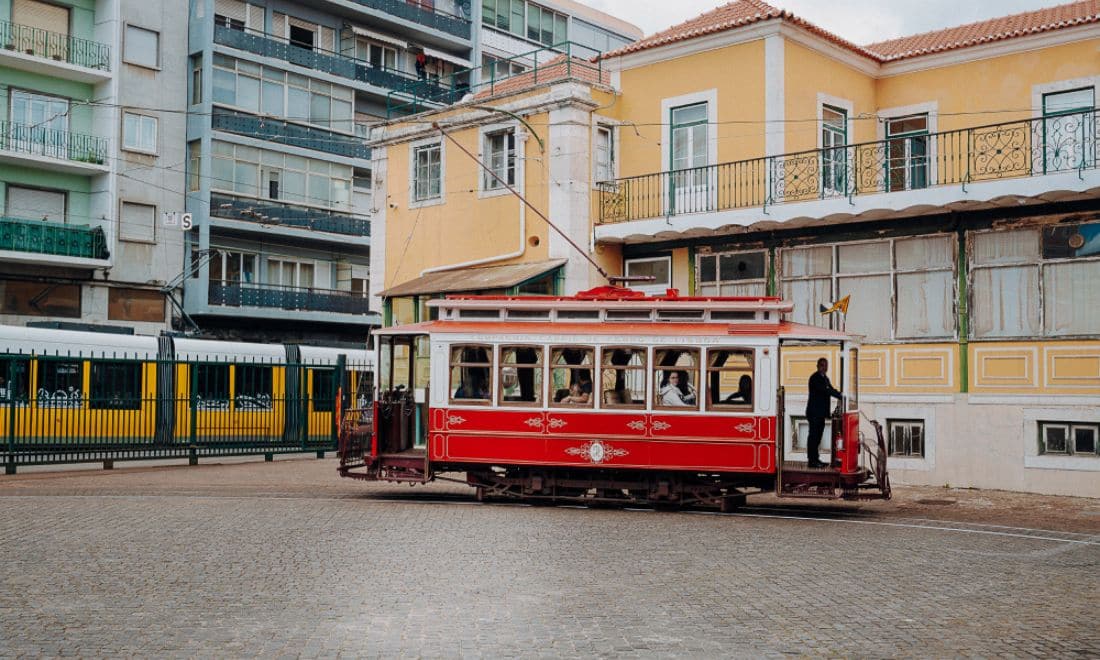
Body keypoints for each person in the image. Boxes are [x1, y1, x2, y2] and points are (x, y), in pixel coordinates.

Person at [805, 357, 842, 468]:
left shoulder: (825, 378)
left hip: (820, 414)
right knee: (814, 437)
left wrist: (841, 395)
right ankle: (812, 461)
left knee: (818, 437)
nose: (824, 367)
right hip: (814, 413)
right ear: (817, 366)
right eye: (822, 365)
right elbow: (826, 390)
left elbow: (831, 389)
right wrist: (839, 395)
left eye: (825, 365)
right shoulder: (815, 378)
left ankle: (816, 459)